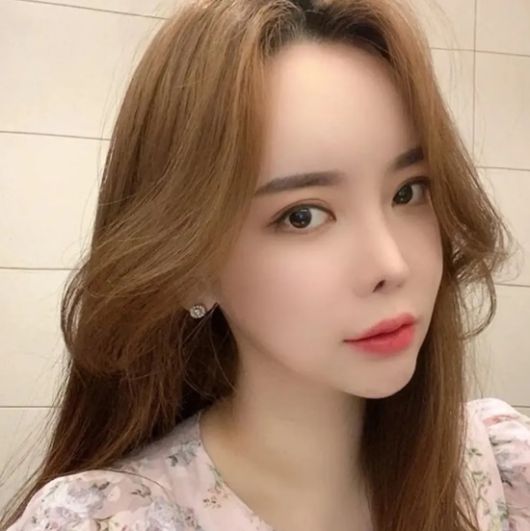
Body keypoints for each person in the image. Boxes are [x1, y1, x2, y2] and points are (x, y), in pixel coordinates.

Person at [2, 0, 529, 530]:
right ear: (189, 266)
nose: (391, 264)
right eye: (302, 216)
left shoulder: (498, 471)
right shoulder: (110, 520)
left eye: (408, 192)